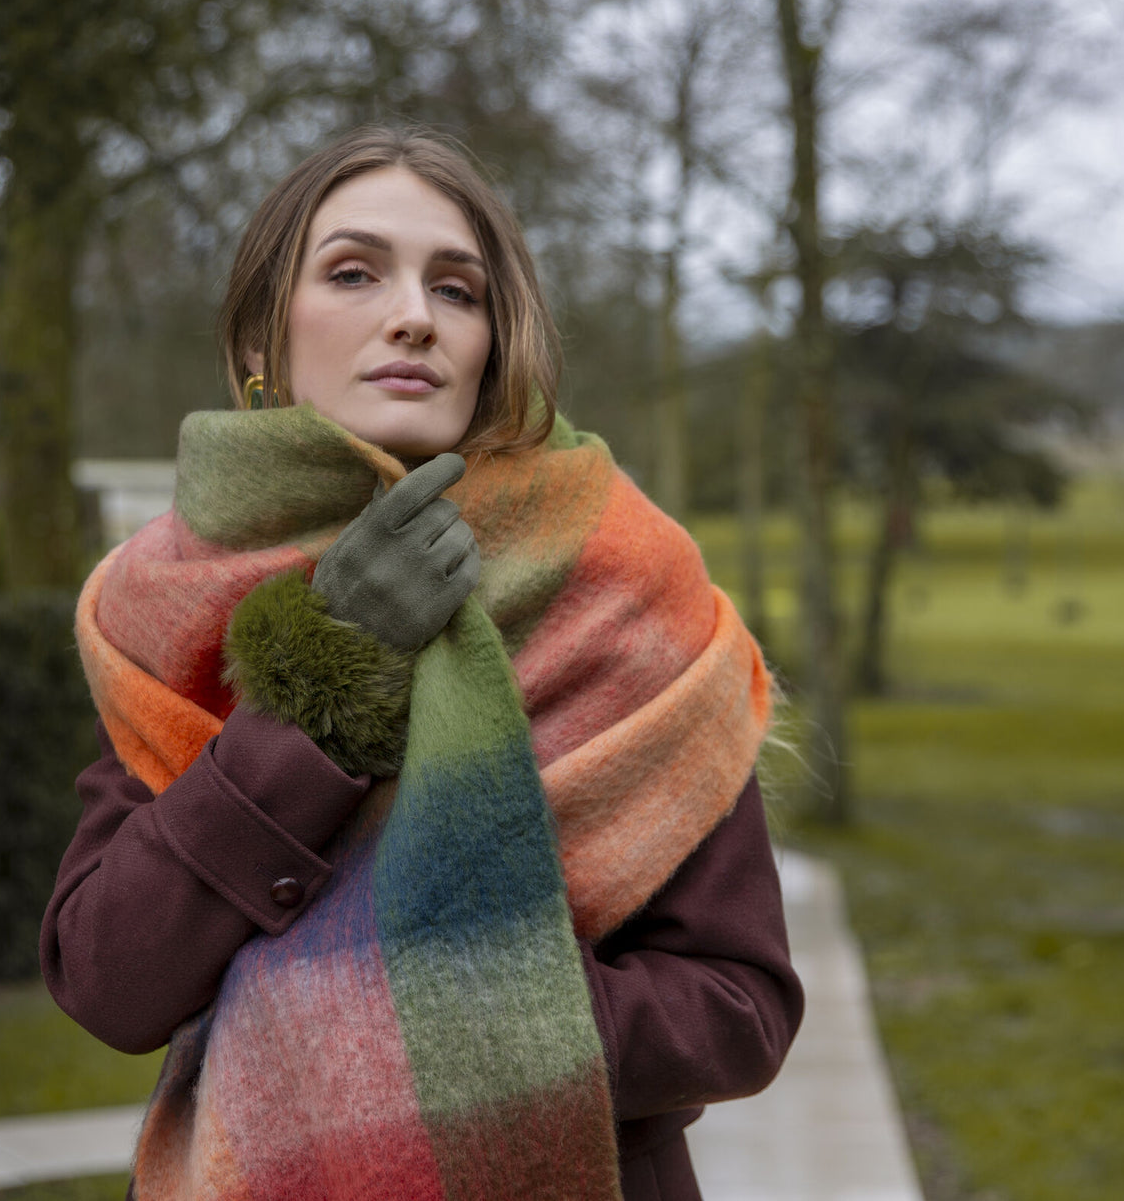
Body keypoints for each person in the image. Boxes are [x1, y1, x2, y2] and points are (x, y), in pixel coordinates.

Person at [42, 125, 804, 1201]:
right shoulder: (175, 605)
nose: (412, 314)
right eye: (353, 271)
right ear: (265, 334)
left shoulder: (626, 588)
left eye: (458, 289)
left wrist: (429, 1024)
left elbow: (741, 1004)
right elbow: (108, 980)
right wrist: (324, 676)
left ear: (496, 337)